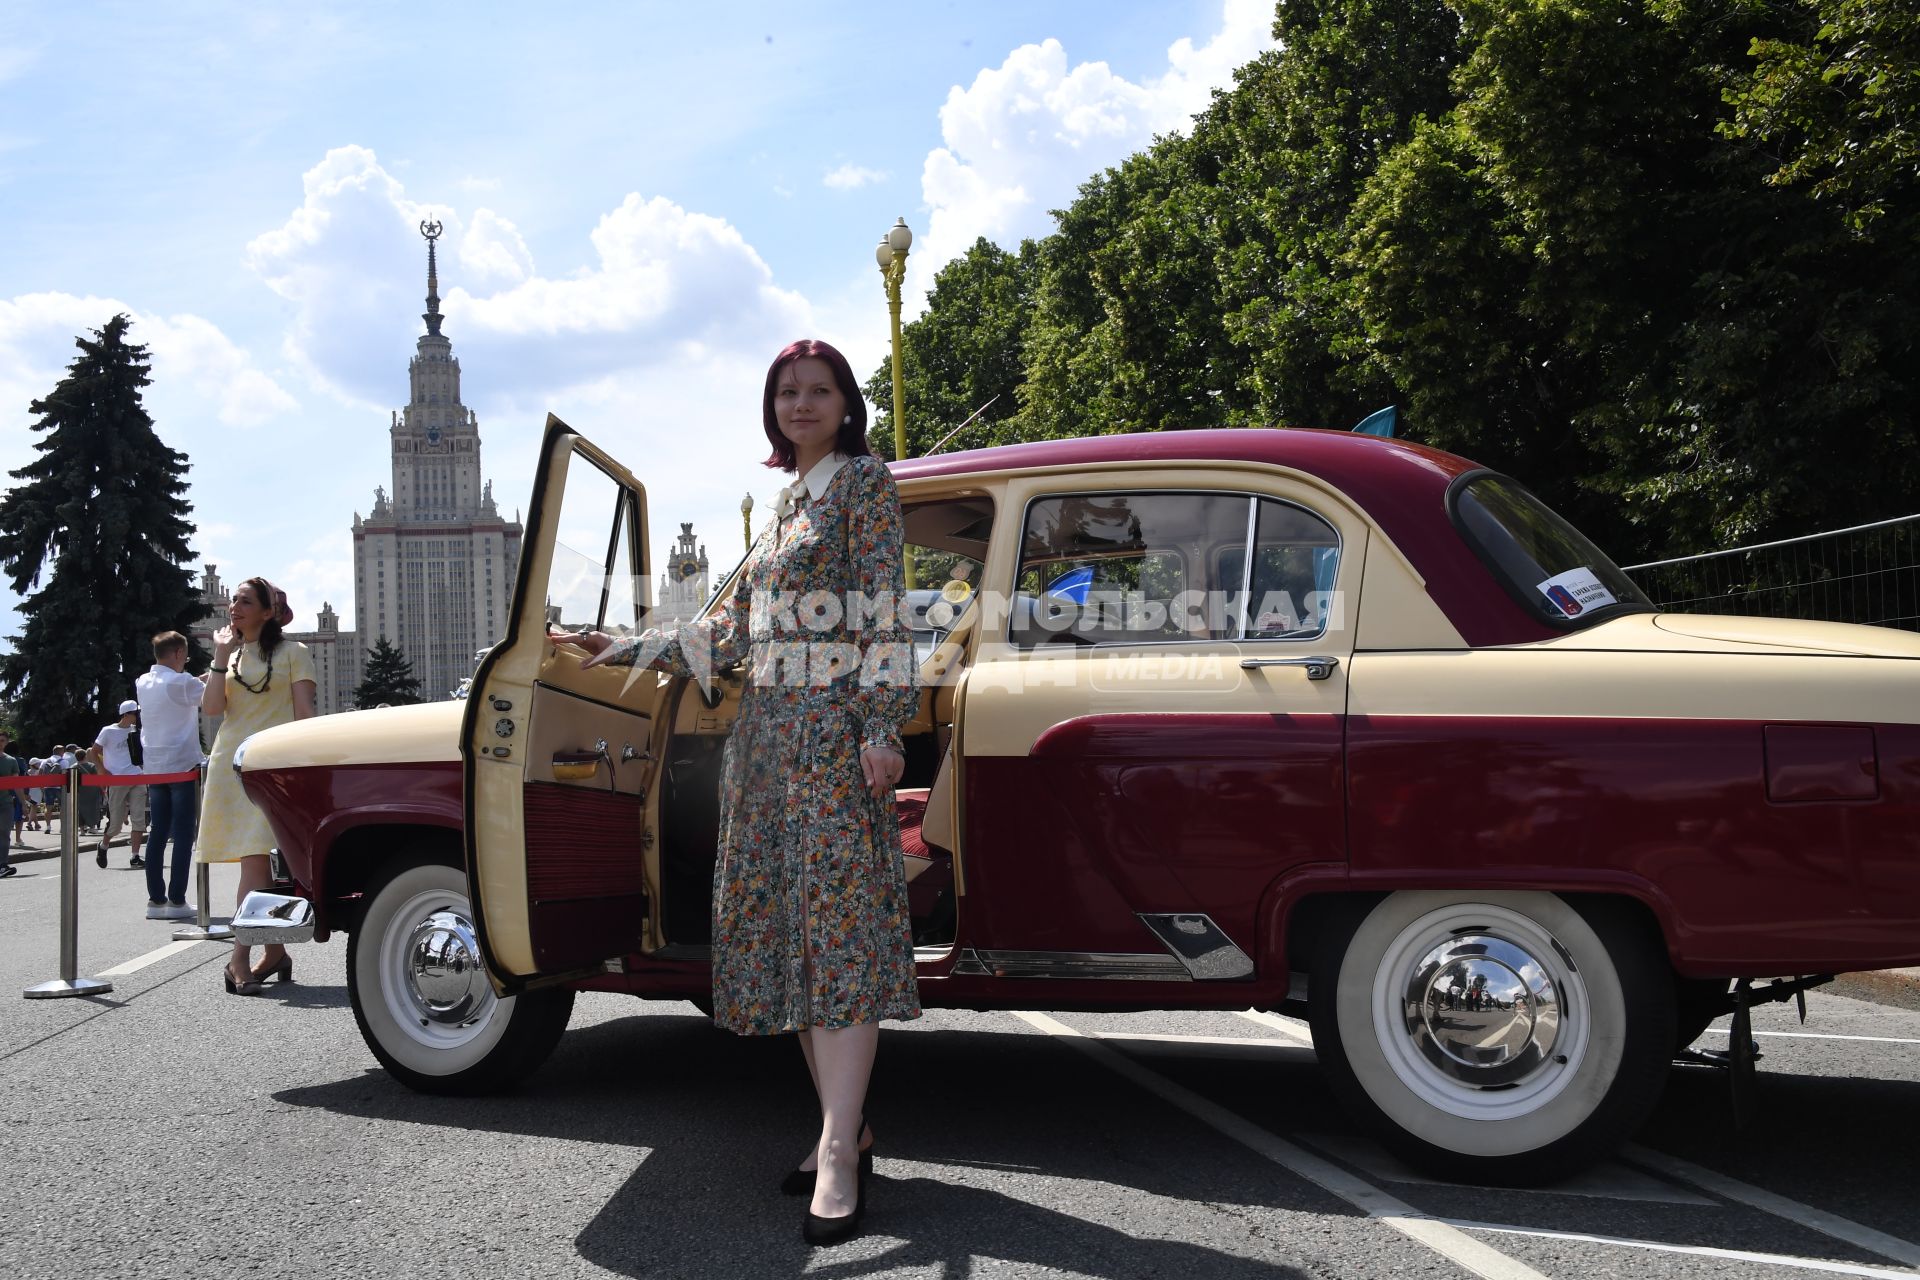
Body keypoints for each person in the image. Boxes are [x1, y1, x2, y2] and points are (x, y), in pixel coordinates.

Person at [557, 339, 919, 1245]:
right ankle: (851, 1126)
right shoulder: (785, 507)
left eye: (819, 390)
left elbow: (881, 605)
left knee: (837, 939)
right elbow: (725, 629)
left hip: (832, 742)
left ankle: (838, 1148)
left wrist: (881, 725)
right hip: (763, 750)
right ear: (772, 408)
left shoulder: (862, 485)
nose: (802, 404)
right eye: (788, 392)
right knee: (793, 938)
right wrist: (626, 645)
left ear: (846, 404)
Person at [198, 578, 316, 994]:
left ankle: (241, 959)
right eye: (234, 600)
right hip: (231, 766)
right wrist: (219, 655)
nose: (235, 607)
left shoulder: (294, 654)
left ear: (269, 612)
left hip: (274, 767)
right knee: (258, 864)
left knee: (257, 863)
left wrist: (304, 768)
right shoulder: (229, 658)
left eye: (246, 601)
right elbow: (212, 709)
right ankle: (270, 953)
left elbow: (304, 714)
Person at [137, 631, 208, 920]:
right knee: (182, 834)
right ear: (179, 653)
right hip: (181, 763)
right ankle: (177, 900)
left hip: (154, 764)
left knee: (157, 833)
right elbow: (207, 691)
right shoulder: (180, 682)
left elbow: (191, 686)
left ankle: (156, 900)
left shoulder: (143, 681)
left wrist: (201, 677)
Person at [94, 700, 147, 870]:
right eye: (135, 714)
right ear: (126, 714)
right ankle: (103, 845)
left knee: (139, 820)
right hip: (118, 779)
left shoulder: (138, 731)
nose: (137, 717)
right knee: (115, 824)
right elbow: (93, 751)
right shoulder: (108, 731)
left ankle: (135, 856)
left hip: (137, 776)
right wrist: (102, 771)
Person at [0, 730, 20, 877]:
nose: (0, 743)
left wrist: (24, 803)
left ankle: (3, 865)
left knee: (5, 833)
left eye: (2, 740)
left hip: (5, 803)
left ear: (6, 743)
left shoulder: (11, 761)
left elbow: (16, 784)